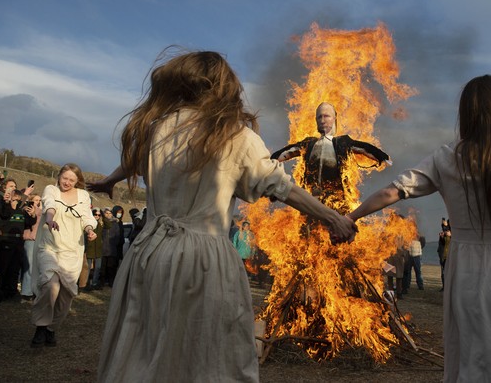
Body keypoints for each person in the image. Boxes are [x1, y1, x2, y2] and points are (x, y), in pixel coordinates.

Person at [87, 49, 357, 382]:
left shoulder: (154, 128)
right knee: (210, 360)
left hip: (148, 254)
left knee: (143, 351)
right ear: (222, 86)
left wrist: (109, 180)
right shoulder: (235, 135)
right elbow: (283, 187)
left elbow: (131, 162)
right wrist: (332, 217)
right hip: (203, 260)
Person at [347, 75, 491, 382]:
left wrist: (351, 217)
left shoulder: (447, 158)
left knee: (476, 356)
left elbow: (393, 191)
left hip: (469, 271)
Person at [271, 102, 391, 214]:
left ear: (334, 118)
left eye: (326, 116)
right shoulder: (309, 143)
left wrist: (382, 157)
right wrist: (269, 162)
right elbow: (287, 152)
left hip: (337, 201)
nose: (322, 120)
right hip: (311, 200)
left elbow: (364, 148)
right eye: (319, 117)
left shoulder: (342, 142)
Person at [30, 163, 97, 348]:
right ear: (59, 176)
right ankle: (41, 327)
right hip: (50, 247)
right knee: (50, 285)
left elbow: (86, 216)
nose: (66, 182)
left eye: (71, 180)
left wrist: (90, 229)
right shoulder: (51, 189)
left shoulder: (83, 195)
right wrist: (50, 218)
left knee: (66, 295)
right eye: (64, 178)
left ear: (77, 182)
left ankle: (51, 329)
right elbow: (49, 205)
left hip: (72, 251)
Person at [21, 193, 42, 300]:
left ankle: (34, 291)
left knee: (37, 268)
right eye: (36, 200)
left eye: (39, 200)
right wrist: (33, 213)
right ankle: (26, 291)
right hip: (30, 240)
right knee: (29, 266)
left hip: (39, 241)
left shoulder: (42, 211)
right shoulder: (26, 209)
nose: (38, 202)